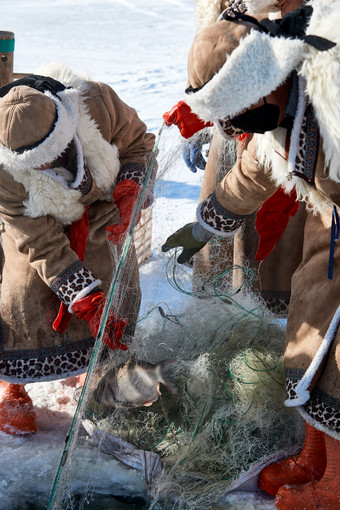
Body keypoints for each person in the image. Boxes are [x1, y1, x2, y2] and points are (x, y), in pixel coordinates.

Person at [162, 3, 340, 508]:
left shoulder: (334, 89)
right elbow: (257, 169)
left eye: (249, 110)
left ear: (268, 77)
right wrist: (206, 224)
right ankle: (315, 456)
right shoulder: (277, 106)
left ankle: (335, 487)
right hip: (332, 222)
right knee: (306, 325)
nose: (248, 124)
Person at [0, 64, 156, 435]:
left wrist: (131, 186)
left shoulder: (96, 101)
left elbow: (139, 142)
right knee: (22, 288)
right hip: (37, 228)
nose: (54, 165)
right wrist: (86, 299)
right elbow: (39, 243)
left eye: (58, 154)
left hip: (101, 205)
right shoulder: (4, 174)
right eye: (42, 164)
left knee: (111, 267)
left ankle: (101, 363)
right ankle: (13, 384)